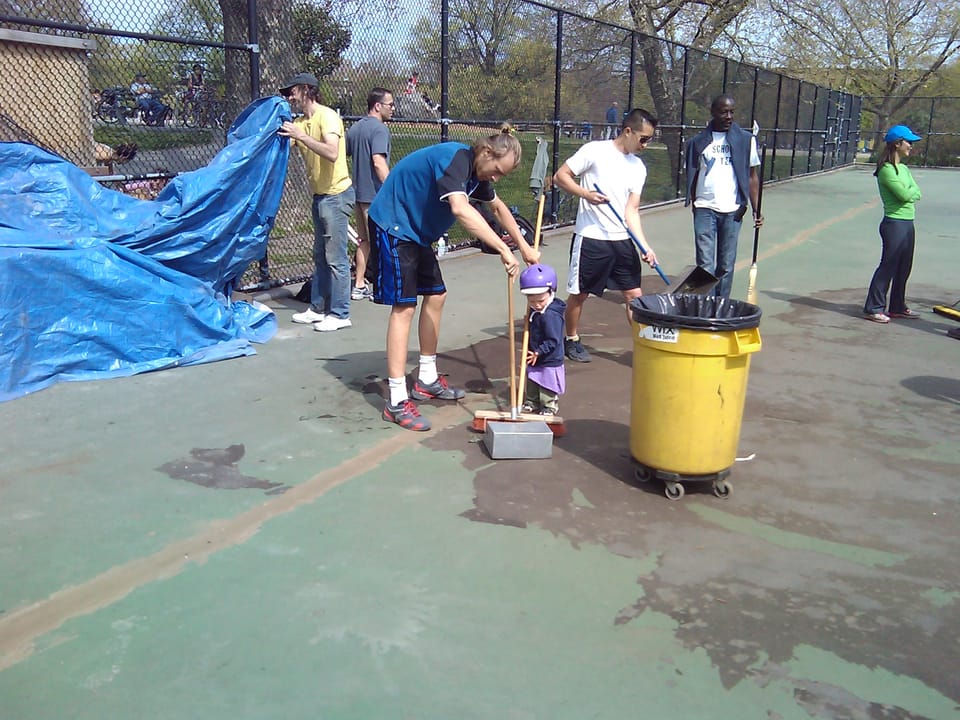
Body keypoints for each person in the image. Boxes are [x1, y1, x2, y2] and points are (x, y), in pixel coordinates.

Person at [367, 124, 540, 431]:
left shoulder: (477, 173)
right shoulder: (457, 159)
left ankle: (426, 378)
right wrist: (502, 248)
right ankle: (395, 401)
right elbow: (460, 209)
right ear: (486, 152)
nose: (496, 178)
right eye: (497, 170)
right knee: (404, 306)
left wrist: (524, 246)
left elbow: (497, 208)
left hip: (417, 233)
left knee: (436, 295)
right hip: (393, 224)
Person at [553, 108, 661, 364]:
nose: (645, 144)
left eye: (649, 140)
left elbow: (631, 211)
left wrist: (645, 246)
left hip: (621, 240)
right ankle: (571, 339)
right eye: (643, 138)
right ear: (628, 131)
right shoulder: (595, 151)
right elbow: (561, 176)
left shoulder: (638, 167)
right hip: (591, 237)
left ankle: (643, 345)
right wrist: (585, 194)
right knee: (580, 294)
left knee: (634, 295)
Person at [278, 72, 356, 332]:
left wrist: (300, 137)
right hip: (319, 195)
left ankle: (340, 313)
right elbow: (285, 146)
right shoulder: (300, 122)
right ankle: (317, 308)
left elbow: (332, 152)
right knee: (320, 257)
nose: (290, 96)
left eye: (292, 91)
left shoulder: (327, 116)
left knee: (336, 258)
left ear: (306, 90)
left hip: (337, 195)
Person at [684, 94, 764, 298]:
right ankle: (701, 304)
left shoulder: (746, 141)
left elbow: (752, 176)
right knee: (705, 264)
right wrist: (695, 203)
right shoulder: (698, 142)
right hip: (705, 208)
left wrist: (756, 209)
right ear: (713, 112)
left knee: (726, 265)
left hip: (733, 210)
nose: (729, 116)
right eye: (724, 112)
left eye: (732, 112)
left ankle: (720, 304)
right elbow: (693, 175)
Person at [863, 125, 923, 324]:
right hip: (894, 224)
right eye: (909, 142)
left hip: (908, 223)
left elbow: (917, 192)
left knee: (904, 267)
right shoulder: (886, 170)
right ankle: (874, 308)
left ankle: (897, 306)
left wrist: (910, 193)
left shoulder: (904, 169)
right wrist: (910, 193)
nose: (911, 146)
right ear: (897, 144)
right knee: (888, 266)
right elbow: (905, 194)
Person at [345, 87, 394, 301]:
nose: (393, 108)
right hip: (375, 197)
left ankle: (359, 284)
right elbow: (378, 162)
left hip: (358, 196)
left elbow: (342, 154)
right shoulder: (380, 130)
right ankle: (380, 289)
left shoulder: (355, 129)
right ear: (377, 106)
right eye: (390, 104)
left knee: (364, 240)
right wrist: (393, 189)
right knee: (380, 242)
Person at [519, 264, 566, 416]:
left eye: (540, 300)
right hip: (535, 353)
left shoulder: (550, 316)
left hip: (548, 356)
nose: (536, 305)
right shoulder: (537, 310)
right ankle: (531, 401)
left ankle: (549, 405)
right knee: (533, 378)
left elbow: (553, 340)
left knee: (546, 382)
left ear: (551, 292)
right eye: (531, 302)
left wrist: (538, 352)